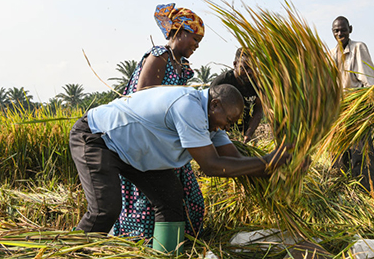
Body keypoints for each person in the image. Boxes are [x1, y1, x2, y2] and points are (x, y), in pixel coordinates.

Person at [69, 85, 291, 246]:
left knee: (170, 198)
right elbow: (212, 166)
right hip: (99, 138)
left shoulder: (212, 121)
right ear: (215, 104)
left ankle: (166, 254)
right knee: (104, 210)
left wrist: (276, 168)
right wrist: (269, 161)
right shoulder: (188, 107)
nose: (227, 127)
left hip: (134, 151)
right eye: (229, 121)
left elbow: (237, 162)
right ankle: (68, 254)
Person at [112, 3, 205, 239]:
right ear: (181, 32)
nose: (196, 45)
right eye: (195, 38)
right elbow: (142, 102)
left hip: (166, 142)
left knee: (188, 198)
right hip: (148, 142)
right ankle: (144, 242)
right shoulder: (159, 56)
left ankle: (180, 239)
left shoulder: (182, 67)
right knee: (152, 201)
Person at [330, 16, 374, 195]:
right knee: (339, 157)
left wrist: (365, 108)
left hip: (357, 109)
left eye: (343, 29)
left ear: (350, 29)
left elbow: (368, 81)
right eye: (336, 31)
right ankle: (343, 200)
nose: (340, 33)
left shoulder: (358, 48)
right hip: (340, 113)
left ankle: (370, 197)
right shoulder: (332, 53)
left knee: (361, 157)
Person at [210, 48, 263, 143]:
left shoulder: (257, 84)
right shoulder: (222, 82)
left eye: (253, 68)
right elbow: (210, 111)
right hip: (222, 132)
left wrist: (249, 134)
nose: (249, 72)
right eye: (245, 68)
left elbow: (258, 111)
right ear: (235, 64)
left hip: (245, 132)